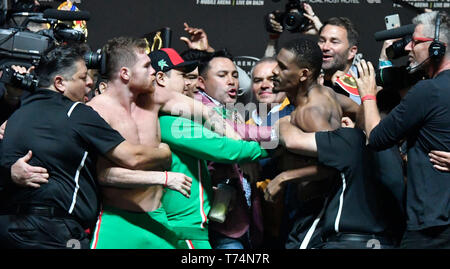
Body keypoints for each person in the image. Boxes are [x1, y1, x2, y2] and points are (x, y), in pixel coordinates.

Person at [0, 44, 177, 249]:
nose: (90, 83)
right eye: (83, 78)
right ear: (59, 83)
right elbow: (132, 157)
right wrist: (164, 152)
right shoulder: (76, 112)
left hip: (9, 228)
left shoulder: (17, 115)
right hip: (53, 232)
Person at [149, 48, 269, 249]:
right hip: (185, 231)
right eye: (183, 76)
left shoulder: (186, 114)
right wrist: (277, 140)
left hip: (195, 228)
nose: (190, 83)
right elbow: (224, 149)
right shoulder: (169, 121)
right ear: (161, 78)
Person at [355, 11, 450, 249]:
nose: (408, 47)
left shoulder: (427, 91)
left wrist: (367, 94)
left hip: (431, 228)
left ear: (438, 47)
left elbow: (376, 138)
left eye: (415, 42)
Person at [276, 115, 405, 249]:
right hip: (387, 243)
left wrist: (284, 120)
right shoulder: (398, 151)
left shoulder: (352, 139)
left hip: (348, 242)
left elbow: (292, 140)